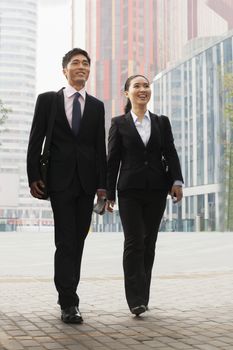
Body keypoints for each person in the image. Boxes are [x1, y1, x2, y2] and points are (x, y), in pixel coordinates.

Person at [27, 48, 107, 324]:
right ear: (65, 70)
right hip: (59, 181)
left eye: (86, 63)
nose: (81, 67)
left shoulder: (96, 106)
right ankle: (68, 302)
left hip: (86, 183)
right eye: (75, 63)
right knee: (65, 240)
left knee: (79, 240)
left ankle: (69, 293)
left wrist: (103, 186)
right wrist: (33, 176)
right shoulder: (48, 100)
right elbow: (36, 139)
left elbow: (100, 149)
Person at [106, 75, 183, 316]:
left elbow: (170, 152)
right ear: (127, 93)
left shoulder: (161, 122)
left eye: (146, 86)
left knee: (149, 243)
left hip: (157, 189)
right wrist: (108, 192)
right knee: (134, 241)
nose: (142, 89)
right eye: (136, 86)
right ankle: (134, 299)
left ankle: (143, 296)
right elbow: (112, 160)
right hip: (129, 190)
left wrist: (176, 181)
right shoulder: (119, 123)